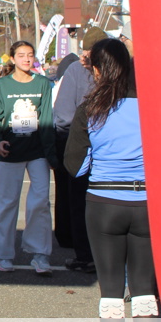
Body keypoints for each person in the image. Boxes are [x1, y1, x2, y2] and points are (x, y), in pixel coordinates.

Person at [63, 38, 159, 322]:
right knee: (145, 290)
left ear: (98, 70)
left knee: (111, 291)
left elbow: (75, 166)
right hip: (146, 202)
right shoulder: (151, 105)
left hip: (104, 203)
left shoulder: (91, 107)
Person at [0, 40, 57, 275]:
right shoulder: (2, 85)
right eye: (21, 55)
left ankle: (40, 254)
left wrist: (51, 154)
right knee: (6, 203)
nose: (26, 59)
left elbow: (47, 119)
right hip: (11, 152)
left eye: (30, 55)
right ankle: (3, 253)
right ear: (13, 59)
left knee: (40, 202)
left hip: (37, 152)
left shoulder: (43, 83)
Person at [53, 26, 106, 271]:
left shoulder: (76, 70)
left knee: (78, 200)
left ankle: (84, 254)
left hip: (80, 144)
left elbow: (63, 116)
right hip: (108, 147)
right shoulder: (117, 70)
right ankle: (101, 253)